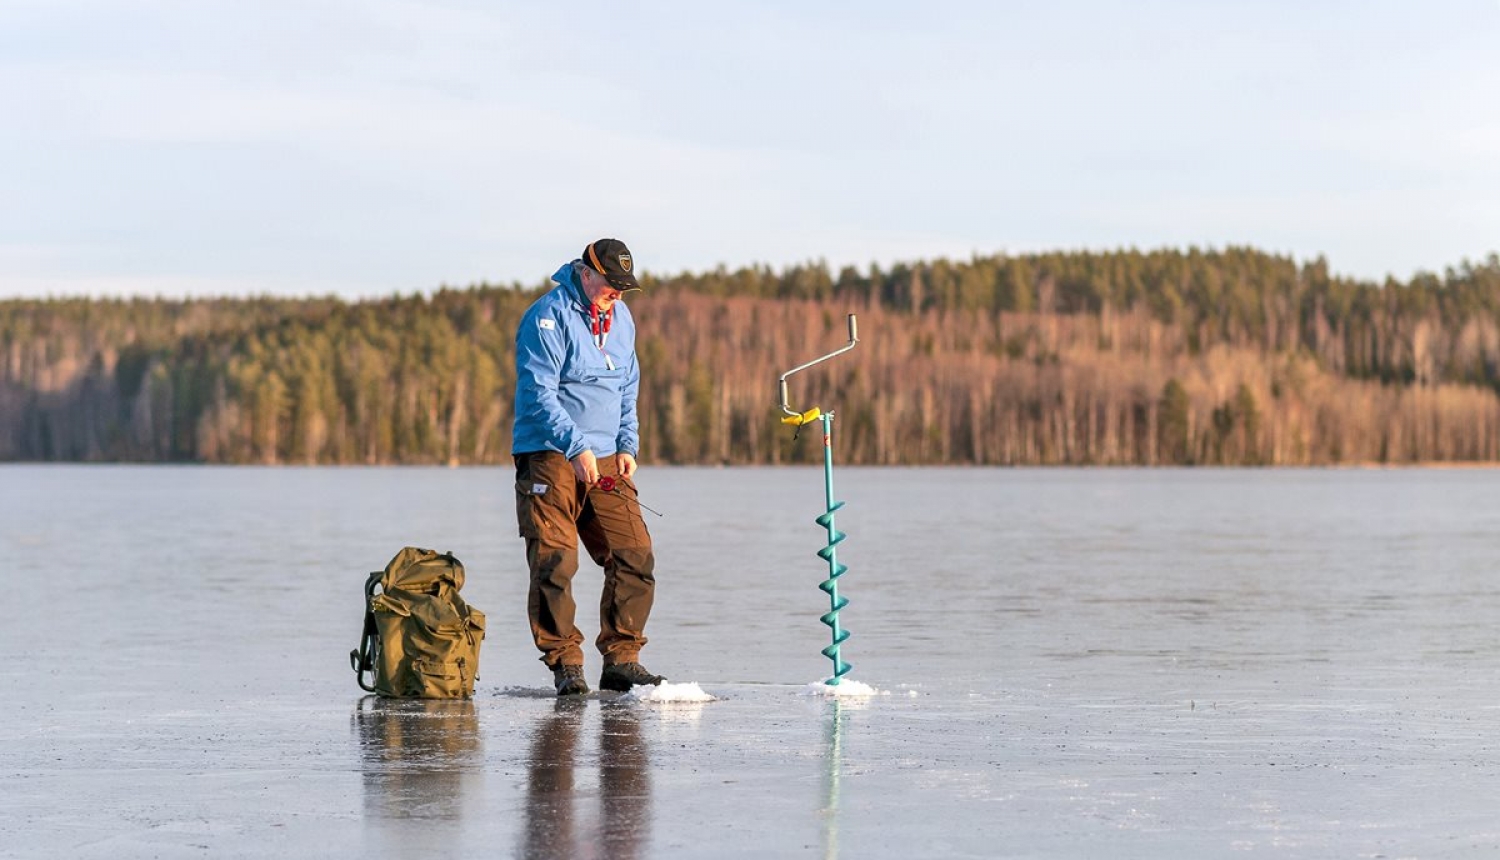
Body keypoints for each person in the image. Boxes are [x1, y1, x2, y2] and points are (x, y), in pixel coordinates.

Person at [511, 238, 666, 696]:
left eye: (623, 288)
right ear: (586, 272)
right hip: (549, 454)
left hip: (605, 457)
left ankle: (621, 658)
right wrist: (575, 446)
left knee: (634, 553)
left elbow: (627, 385)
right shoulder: (548, 315)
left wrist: (627, 443)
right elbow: (539, 392)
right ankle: (566, 663)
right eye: (610, 285)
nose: (616, 295)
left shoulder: (622, 318)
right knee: (555, 560)